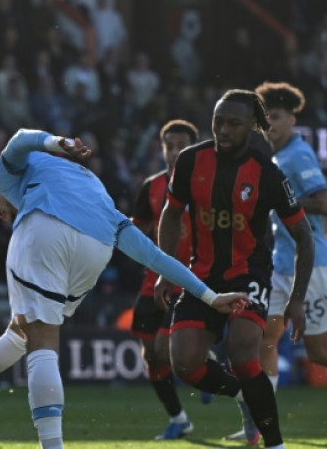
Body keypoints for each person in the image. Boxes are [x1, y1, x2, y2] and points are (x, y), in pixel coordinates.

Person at [0, 128, 248, 449]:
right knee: (21, 333)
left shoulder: (11, 173)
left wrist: (56, 143)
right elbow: (155, 256)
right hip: (95, 251)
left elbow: (22, 137)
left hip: (46, 228)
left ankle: (51, 445)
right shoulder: (95, 188)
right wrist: (209, 296)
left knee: (40, 338)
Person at [155, 89, 315, 449]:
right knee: (185, 364)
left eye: (233, 124)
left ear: (251, 127)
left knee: (244, 352)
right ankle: (244, 394)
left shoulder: (267, 173)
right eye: (217, 122)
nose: (223, 130)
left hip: (249, 273)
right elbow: (171, 213)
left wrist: (297, 300)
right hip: (202, 275)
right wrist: (166, 269)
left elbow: (304, 237)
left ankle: (275, 444)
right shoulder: (190, 161)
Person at [217, 82, 327, 441]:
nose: (272, 125)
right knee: (263, 340)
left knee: (319, 352)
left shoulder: (298, 155)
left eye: (278, 118)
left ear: (293, 118)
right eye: (267, 120)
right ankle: (259, 421)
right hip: (282, 265)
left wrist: (280, 201)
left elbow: (324, 203)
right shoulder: (277, 159)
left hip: (311, 265)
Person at [128, 120, 202, 440]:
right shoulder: (152, 186)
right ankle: (179, 419)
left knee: (163, 346)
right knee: (150, 354)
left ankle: (206, 359)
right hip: (153, 280)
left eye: (181, 146)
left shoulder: (204, 186)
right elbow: (139, 226)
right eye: (168, 146)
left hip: (188, 280)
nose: (174, 153)